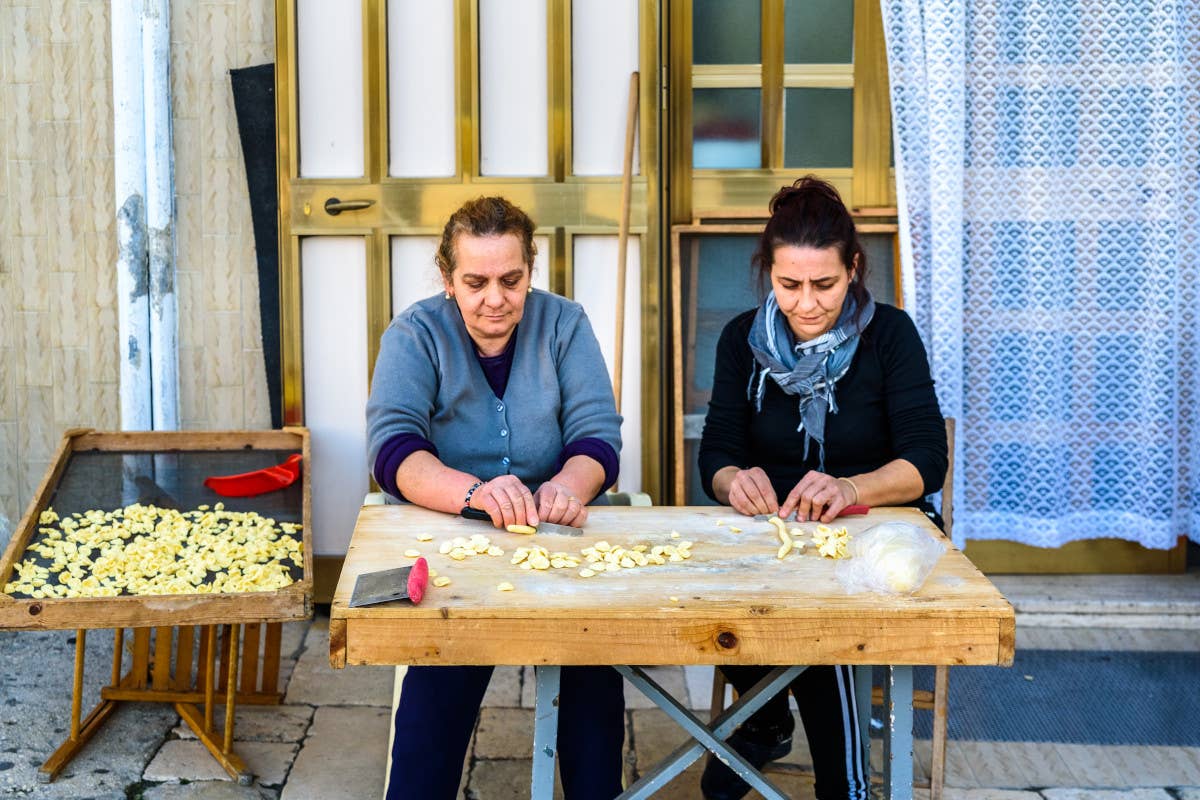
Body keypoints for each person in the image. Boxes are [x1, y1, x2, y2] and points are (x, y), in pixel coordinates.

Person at [697, 176, 948, 800]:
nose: (806, 304)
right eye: (789, 285)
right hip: (777, 530)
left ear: (854, 269)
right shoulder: (742, 342)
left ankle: (827, 769)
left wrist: (849, 488)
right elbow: (718, 455)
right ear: (769, 274)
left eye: (825, 285)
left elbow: (926, 460)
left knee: (824, 608)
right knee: (726, 580)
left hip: (873, 525)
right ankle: (768, 716)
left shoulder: (889, 336)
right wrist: (736, 482)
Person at [366, 196, 625, 799]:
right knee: (442, 671)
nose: (495, 298)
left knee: (590, 668)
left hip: (557, 536)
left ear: (530, 270)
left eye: (511, 280)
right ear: (447, 278)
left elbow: (598, 435)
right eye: (475, 282)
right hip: (452, 539)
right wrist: (477, 493)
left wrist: (568, 484)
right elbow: (394, 452)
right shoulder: (415, 334)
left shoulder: (564, 323)